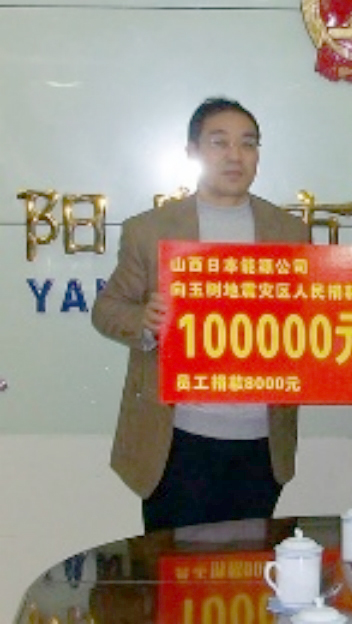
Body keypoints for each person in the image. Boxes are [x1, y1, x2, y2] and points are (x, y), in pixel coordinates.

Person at [92, 97, 310, 532]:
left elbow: (308, 318)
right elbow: (107, 309)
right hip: (177, 439)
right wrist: (145, 321)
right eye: (219, 142)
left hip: (262, 439)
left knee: (249, 565)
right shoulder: (150, 229)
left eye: (248, 143)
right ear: (193, 152)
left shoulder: (289, 232)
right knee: (173, 568)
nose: (235, 155)